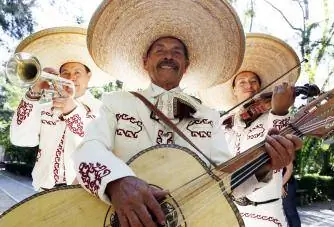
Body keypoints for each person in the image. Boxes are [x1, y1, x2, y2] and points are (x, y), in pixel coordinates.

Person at [73, 1, 302, 227]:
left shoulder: (209, 116)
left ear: (186, 65)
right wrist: (117, 182)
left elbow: (226, 181)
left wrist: (264, 165)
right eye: (159, 50)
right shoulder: (118, 102)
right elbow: (88, 148)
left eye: (176, 52)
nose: (168, 56)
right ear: (145, 62)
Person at [200, 33, 301, 227]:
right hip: (230, 213)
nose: (249, 86)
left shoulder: (272, 116)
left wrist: (280, 111)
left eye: (254, 81)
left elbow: (283, 141)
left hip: (267, 214)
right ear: (234, 90)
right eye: (242, 82)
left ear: (261, 87)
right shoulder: (221, 123)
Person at [9, 27, 110, 191]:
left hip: (83, 192)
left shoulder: (101, 109)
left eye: (77, 72)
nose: (71, 78)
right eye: (65, 73)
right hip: (43, 190)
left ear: (88, 77)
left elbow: (96, 147)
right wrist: (34, 91)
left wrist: (71, 110)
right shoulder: (44, 108)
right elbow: (20, 139)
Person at [282, 162, 301, 227]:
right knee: (286, 213)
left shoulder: (284, 152)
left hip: (287, 184)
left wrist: (280, 185)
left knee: (290, 211)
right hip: (282, 185)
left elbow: (289, 169)